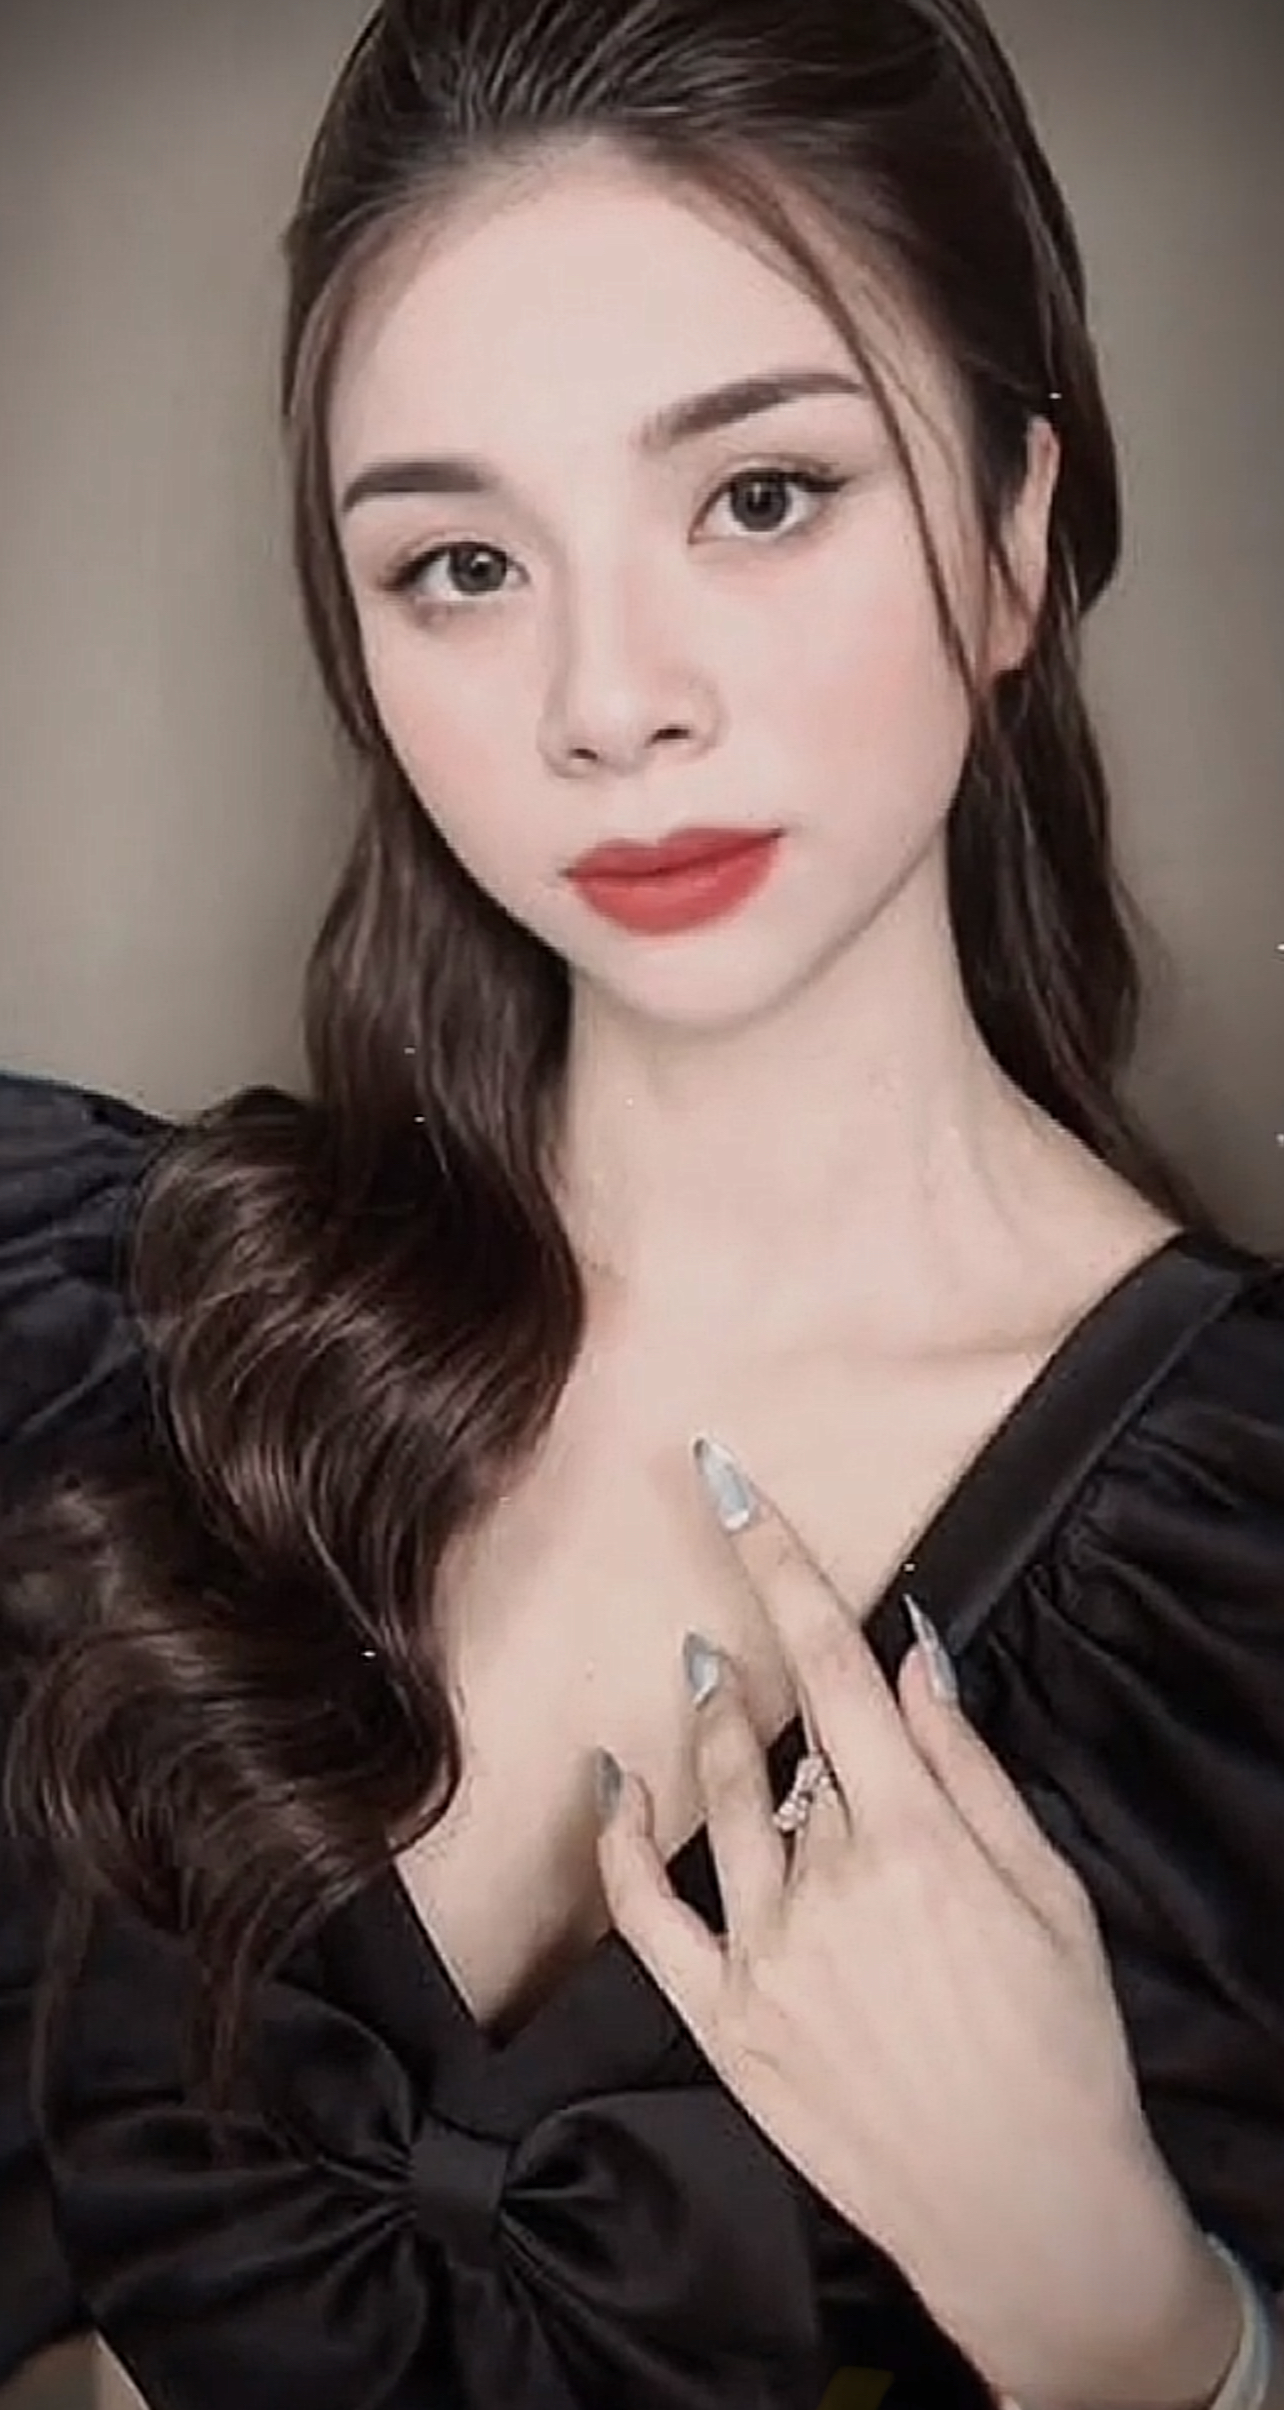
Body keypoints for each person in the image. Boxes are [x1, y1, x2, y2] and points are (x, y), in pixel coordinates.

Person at [1, 0, 1282, 2402]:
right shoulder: (97, 1333)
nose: (609, 697)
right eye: (463, 562)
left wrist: (1132, 2318)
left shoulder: (1242, 1574)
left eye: (762, 494)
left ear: (1015, 532)